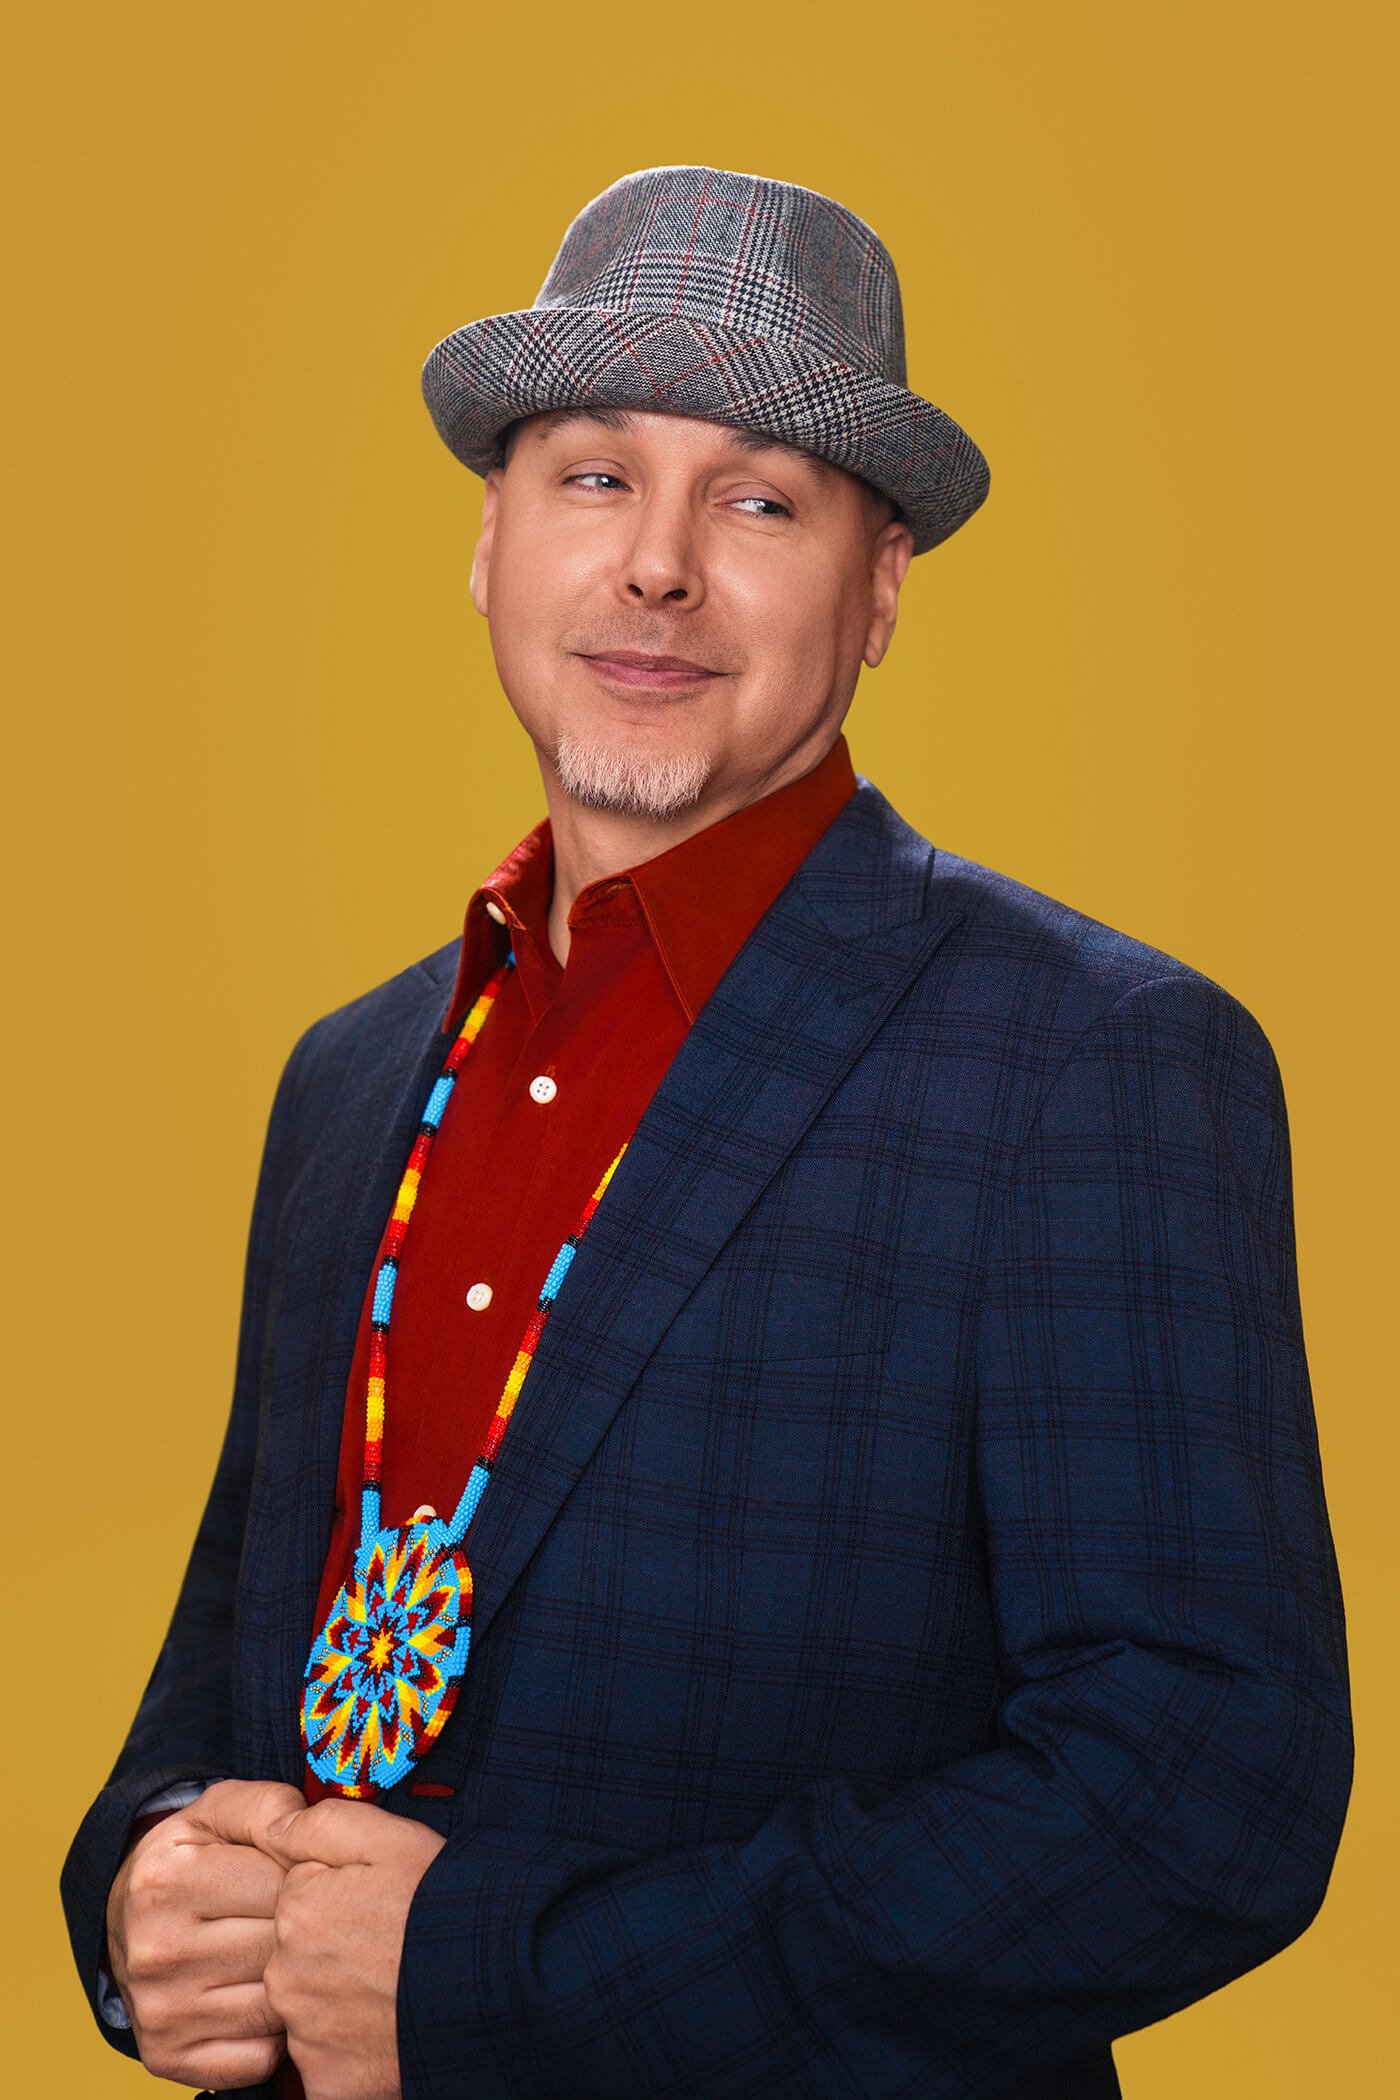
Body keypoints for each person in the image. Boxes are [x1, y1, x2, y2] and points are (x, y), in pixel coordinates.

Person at [61, 163, 1352, 2100]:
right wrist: (136, 1882)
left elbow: (1200, 1793)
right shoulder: (344, 1083)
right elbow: (236, 1672)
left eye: (756, 499)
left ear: (880, 590)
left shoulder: (1091, 1058)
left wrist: (495, 1976)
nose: (656, 565)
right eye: (592, 475)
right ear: (488, 546)